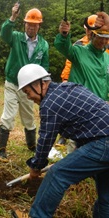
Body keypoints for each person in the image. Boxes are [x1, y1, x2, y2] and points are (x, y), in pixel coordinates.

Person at [17, 63, 109, 217]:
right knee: (106, 197)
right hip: (102, 140)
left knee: (57, 174)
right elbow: (83, 119)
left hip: (103, 142)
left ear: (42, 83)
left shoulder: (50, 104)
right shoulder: (69, 88)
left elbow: (46, 139)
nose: (29, 97)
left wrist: (36, 166)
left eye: (28, 92)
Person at [0, 3, 49, 162]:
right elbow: (4, 34)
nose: (31, 28)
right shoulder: (16, 37)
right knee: (9, 115)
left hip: (30, 88)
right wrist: (12, 16)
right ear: (24, 24)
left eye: (34, 25)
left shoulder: (43, 45)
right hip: (12, 84)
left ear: (39, 26)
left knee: (29, 117)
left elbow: (44, 67)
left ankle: (32, 145)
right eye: (28, 24)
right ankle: (1, 150)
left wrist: (44, 86)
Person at [55, 12, 109, 101]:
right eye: (100, 37)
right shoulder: (78, 52)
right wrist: (64, 34)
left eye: (106, 38)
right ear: (92, 35)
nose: (103, 41)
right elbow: (63, 46)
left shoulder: (107, 58)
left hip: (100, 106)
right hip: (81, 104)